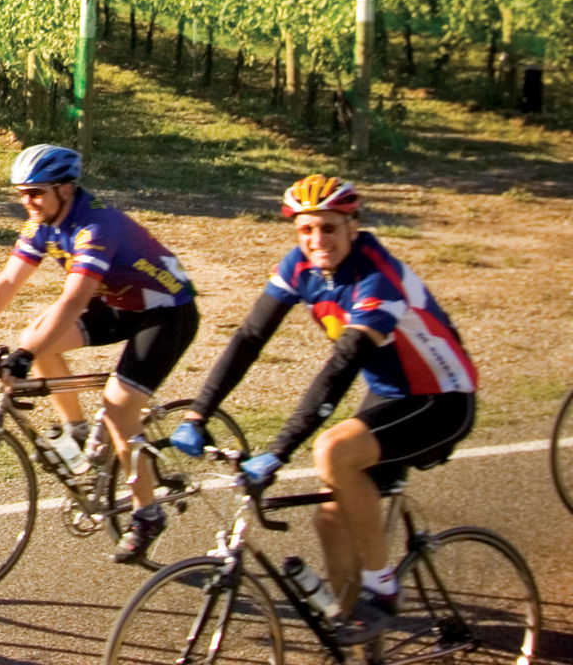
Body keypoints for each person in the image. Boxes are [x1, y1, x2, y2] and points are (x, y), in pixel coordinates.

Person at [169, 176, 477, 646]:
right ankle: (356, 633)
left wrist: (278, 451)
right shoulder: (301, 265)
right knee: (330, 519)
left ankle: (383, 588)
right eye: (306, 230)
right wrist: (198, 413)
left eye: (328, 229)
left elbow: (340, 368)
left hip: (441, 399)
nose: (316, 241)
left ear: (352, 225)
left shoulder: (378, 279)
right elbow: (250, 338)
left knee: (333, 450)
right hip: (391, 393)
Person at [0, 144, 199, 564]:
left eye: (36, 192)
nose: (27, 202)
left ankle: (147, 513)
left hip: (165, 312)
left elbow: (72, 302)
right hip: (121, 304)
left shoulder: (96, 227)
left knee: (120, 405)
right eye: (22, 193)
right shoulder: (42, 224)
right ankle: (77, 432)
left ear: (66, 189)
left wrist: (25, 356)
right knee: (36, 334)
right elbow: (7, 283)